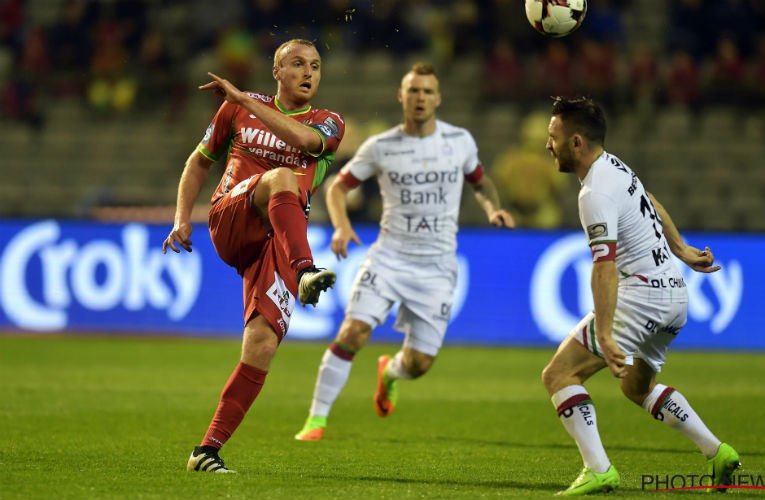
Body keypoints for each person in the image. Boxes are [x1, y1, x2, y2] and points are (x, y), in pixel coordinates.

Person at [294, 62, 515, 442]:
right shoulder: (381, 147)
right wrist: (342, 226)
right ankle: (316, 420)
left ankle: (391, 372)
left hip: (437, 266)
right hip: (389, 256)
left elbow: (480, 182)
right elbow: (335, 188)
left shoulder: (459, 142)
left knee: (420, 363)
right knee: (353, 331)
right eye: (413, 90)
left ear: (438, 99)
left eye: (427, 91)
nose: (420, 98)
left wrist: (492, 207)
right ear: (401, 96)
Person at [540, 96, 740, 495]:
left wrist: (607, 334)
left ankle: (598, 469)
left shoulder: (593, 193)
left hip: (642, 295)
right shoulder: (616, 166)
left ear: (576, 142)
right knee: (636, 386)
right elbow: (650, 199)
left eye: (553, 136)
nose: (548, 144)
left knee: (559, 374)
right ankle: (718, 452)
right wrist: (680, 249)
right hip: (675, 295)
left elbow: (604, 266)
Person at [162, 38, 344, 473]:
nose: (308, 73)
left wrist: (245, 98)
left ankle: (206, 451)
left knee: (262, 345)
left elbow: (303, 138)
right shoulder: (236, 111)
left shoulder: (329, 123)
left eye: (315, 66)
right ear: (277, 71)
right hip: (231, 218)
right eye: (297, 64)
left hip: (275, 241)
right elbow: (200, 160)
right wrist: (181, 217)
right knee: (281, 177)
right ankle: (305, 271)